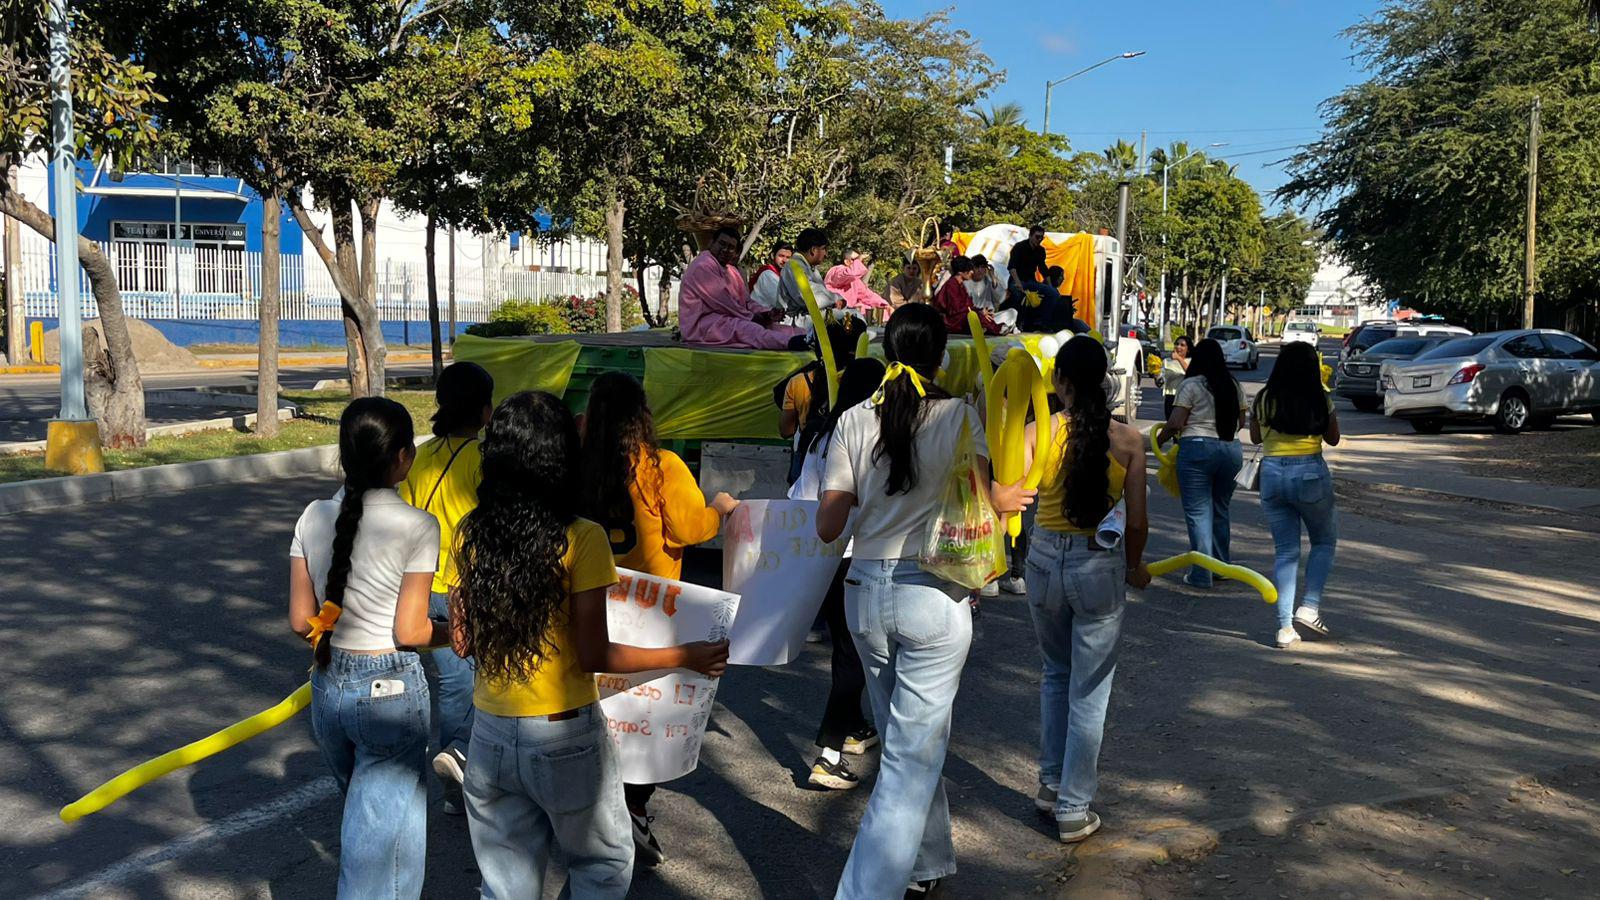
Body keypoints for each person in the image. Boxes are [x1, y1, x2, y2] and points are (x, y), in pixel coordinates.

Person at [452, 391, 729, 898]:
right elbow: (597, 655)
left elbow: (463, 638)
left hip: (487, 730)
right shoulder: (581, 537)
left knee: (506, 883)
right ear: (561, 457)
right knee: (602, 861)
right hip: (564, 732)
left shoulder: (471, 532)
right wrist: (684, 654)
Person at [817, 303, 1033, 899]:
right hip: (934, 597)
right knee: (909, 759)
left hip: (863, 595)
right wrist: (1009, 499)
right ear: (942, 355)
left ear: (886, 351)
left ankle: (926, 864)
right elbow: (991, 500)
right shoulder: (961, 416)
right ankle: (865, 892)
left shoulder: (857, 418)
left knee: (906, 743)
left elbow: (829, 525)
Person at [578, 373, 740, 863]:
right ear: (642, 414)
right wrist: (721, 508)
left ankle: (605, 808)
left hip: (593, 599)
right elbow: (691, 527)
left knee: (599, 712)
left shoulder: (581, 464)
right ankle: (631, 807)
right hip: (652, 606)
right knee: (641, 719)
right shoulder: (660, 465)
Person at [289, 397, 445, 898]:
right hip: (391, 691)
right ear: (402, 457)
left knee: (373, 830)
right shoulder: (418, 526)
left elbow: (299, 621)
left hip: (328, 688)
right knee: (382, 848)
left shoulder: (312, 514)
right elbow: (412, 632)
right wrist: (460, 634)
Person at [1021, 336, 1150, 843]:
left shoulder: (1038, 431)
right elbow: (1136, 522)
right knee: (1090, 690)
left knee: (1056, 674)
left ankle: (1050, 786)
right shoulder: (1129, 440)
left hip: (1043, 558)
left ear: (1061, 382)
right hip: (1099, 563)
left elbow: (1016, 496)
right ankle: (1074, 807)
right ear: (1103, 381)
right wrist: (1134, 566)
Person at [788, 357, 887, 791]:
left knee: (848, 651)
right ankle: (828, 754)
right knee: (852, 658)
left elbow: (798, 495)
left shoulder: (819, 435)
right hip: (851, 555)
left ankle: (855, 726)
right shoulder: (867, 433)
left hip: (815, 555)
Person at [399, 361, 493, 817]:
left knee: (453, 684)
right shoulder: (483, 460)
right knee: (482, 679)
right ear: (484, 410)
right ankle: (459, 754)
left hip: (422, 585)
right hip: (466, 587)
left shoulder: (422, 455)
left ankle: (459, 784)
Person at [1250, 341, 1340, 649]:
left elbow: (1255, 436)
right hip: (1310, 472)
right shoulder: (1320, 397)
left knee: (1285, 552)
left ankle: (1285, 628)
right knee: (1324, 540)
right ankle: (1309, 607)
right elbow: (1334, 438)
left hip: (1272, 474)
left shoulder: (1264, 398)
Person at [1156, 339, 1247, 588]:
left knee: (1198, 513)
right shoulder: (1233, 385)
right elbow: (1242, 421)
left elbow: (1175, 422)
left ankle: (1201, 573)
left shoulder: (1191, 385)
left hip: (1197, 448)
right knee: (1220, 508)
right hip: (1230, 450)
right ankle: (1220, 567)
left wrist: (1158, 440)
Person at [679, 227, 805, 350]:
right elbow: (724, 304)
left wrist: (767, 313)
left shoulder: (731, 270)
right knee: (748, 329)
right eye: (722, 244)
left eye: (730, 247)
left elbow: (746, 302)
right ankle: (792, 343)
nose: (725, 250)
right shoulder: (702, 265)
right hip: (702, 327)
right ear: (711, 243)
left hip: (727, 320)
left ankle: (806, 338)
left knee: (777, 328)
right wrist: (754, 317)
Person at [779, 227, 847, 318]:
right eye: (824, 249)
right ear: (813, 250)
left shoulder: (811, 268)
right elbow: (812, 298)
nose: (826, 254)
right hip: (797, 325)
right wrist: (836, 299)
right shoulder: (794, 267)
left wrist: (837, 300)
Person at [933, 255, 999, 336]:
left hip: (961, 316)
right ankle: (994, 329)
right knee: (975, 316)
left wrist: (981, 311)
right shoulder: (952, 285)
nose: (971, 272)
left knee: (984, 316)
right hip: (950, 321)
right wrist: (979, 312)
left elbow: (968, 305)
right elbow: (956, 310)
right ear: (960, 272)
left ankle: (992, 328)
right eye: (968, 270)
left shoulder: (960, 285)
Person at [826, 251, 890, 313]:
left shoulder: (855, 281)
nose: (859, 261)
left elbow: (867, 295)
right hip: (834, 312)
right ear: (847, 261)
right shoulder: (836, 271)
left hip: (849, 313)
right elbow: (851, 273)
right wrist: (859, 259)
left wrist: (884, 305)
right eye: (856, 259)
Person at [750, 242, 794, 311]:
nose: (784, 260)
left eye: (788, 257)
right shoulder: (767, 274)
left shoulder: (782, 274)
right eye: (781, 256)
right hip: (759, 316)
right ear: (773, 256)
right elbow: (782, 303)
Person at [1161, 336, 1192, 419]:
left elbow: (1191, 373)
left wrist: (1179, 359)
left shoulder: (1192, 361)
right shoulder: (1166, 361)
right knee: (1171, 424)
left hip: (1185, 398)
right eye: (1177, 344)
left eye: (1182, 345)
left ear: (1188, 349)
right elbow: (1161, 381)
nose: (1178, 347)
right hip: (1170, 397)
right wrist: (1156, 376)